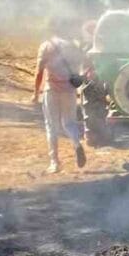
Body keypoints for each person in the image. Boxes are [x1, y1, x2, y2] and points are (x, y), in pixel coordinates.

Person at [32, 21, 88, 173]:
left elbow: (39, 72)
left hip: (52, 90)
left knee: (51, 126)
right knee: (69, 123)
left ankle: (54, 163)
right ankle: (77, 143)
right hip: (69, 90)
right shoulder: (74, 47)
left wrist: (36, 93)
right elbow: (83, 68)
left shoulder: (47, 46)